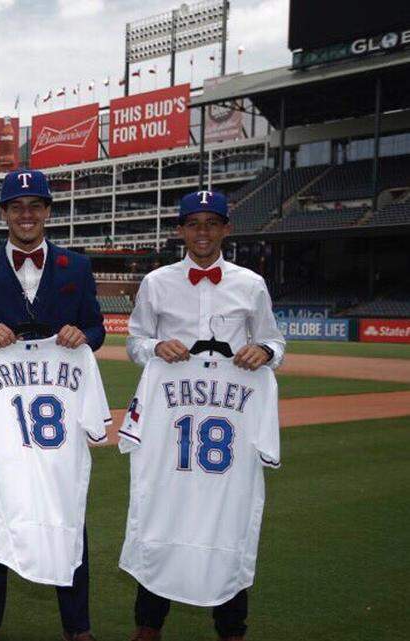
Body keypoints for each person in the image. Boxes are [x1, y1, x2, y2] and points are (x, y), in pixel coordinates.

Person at [123, 189, 285, 641]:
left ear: (226, 229)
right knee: (163, 515)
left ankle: (232, 628)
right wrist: (155, 346)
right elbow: (135, 342)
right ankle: (148, 625)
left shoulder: (250, 285)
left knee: (227, 522)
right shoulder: (157, 283)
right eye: (193, 223)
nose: (202, 232)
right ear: (180, 230)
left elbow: (276, 344)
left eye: (211, 223)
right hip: (172, 431)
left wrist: (265, 351)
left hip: (228, 433)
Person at [0, 169, 105, 641]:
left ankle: (76, 625)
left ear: (47, 212)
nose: (26, 214)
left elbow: (96, 329)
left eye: (35, 205)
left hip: (56, 420)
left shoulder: (76, 267)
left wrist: (84, 335)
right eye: (17, 207)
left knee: (68, 513)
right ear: (4, 214)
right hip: (5, 419)